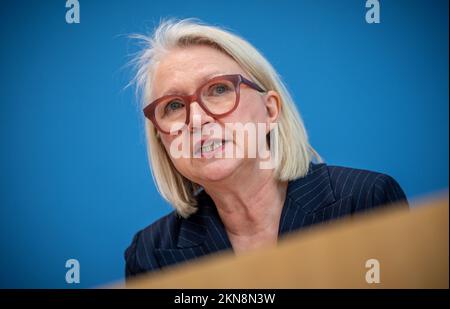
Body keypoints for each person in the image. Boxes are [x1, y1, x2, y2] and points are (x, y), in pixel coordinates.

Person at [124, 19, 408, 279]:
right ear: (162, 138)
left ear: (270, 110)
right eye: (173, 106)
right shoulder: (150, 253)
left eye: (219, 89)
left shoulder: (365, 201)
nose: (196, 120)